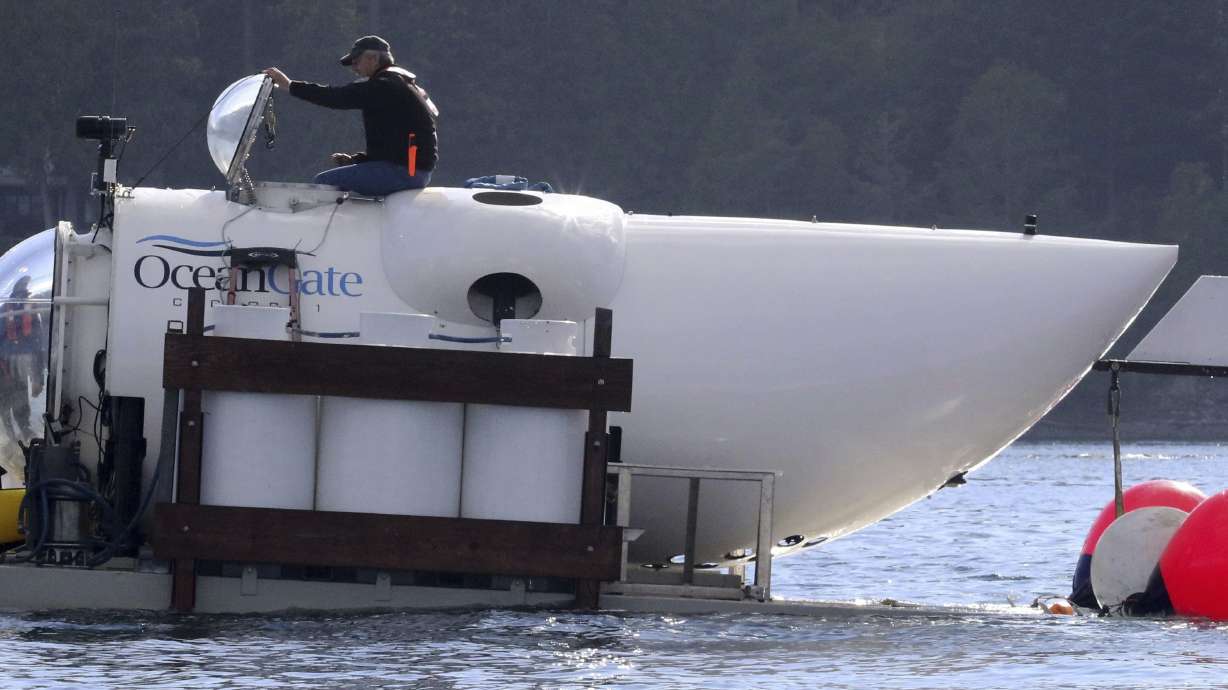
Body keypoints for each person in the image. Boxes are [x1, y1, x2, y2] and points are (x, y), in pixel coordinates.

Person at [263, 35, 439, 196]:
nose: (354, 68)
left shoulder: (386, 85)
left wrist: (290, 85)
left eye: (356, 61)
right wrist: (358, 160)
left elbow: (336, 97)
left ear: (373, 58)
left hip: (404, 172)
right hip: (410, 170)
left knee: (324, 183)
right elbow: (396, 141)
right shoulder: (400, 83)